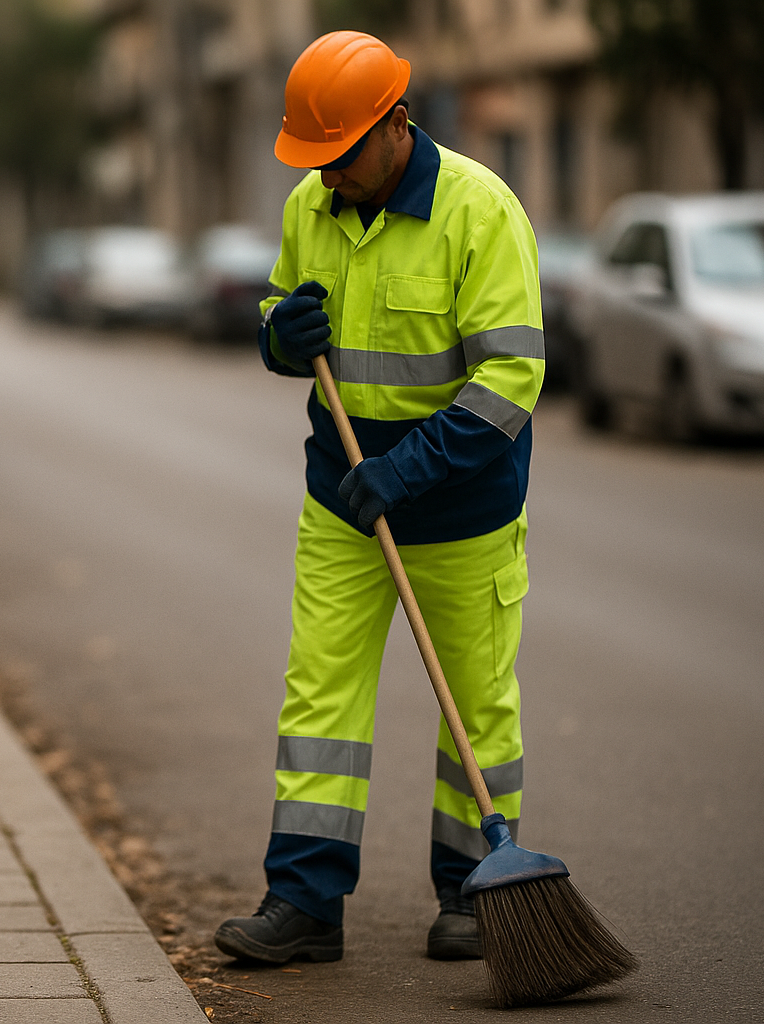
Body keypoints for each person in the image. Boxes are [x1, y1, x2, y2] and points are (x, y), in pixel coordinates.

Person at [213, 30, 544, 965]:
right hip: (341, 499)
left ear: (397, 125)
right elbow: (281, 309)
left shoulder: (482, 211)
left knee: (476, 709)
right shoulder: (312, 202)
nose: (326, 177)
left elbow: (511, 381)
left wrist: (407, 471)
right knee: (320, 700)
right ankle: (306, 902)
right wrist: (281, 334)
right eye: (312, 159)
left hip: (461, 503)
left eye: (341, 155)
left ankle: (477, 894)